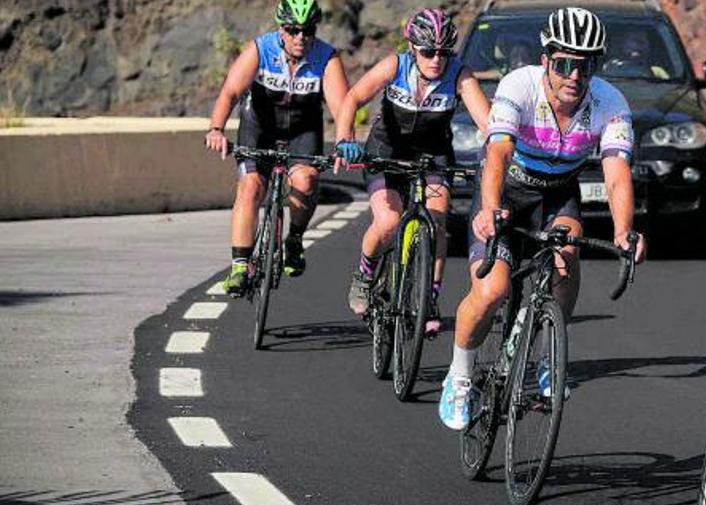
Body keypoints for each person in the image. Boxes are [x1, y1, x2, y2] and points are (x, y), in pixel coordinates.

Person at [438, 7, 647, 430]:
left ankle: (548, 355)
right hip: (507, 193)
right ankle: (459, 375)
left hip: (557, 196)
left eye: (585, 65)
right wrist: (490, 206)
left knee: (566, 257)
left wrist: (624, 229)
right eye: (564, 63)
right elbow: (497, 152)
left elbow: (616, 174)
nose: (574, 75)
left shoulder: (610, 102)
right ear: (545, 60)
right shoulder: (519, 86)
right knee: (493, 289)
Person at [333, 9, 491, 326]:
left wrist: (496, 153)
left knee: (437, 222)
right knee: (389, 221)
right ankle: (364, 275)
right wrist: (344, 139)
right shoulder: (395, 65)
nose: (436, 60)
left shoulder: (460, 75)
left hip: (433, 155)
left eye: (444, 52)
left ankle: (429, 297)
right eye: (428, 52)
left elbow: (488, 124)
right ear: (412, 48)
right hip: (386, 150)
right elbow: (351, 99)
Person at [205, 0, 349, 293]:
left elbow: (341, 107)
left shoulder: (326, 57)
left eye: (307, 30)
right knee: (251, 187)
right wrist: (216, 128)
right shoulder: (260, 50)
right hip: (259, 128)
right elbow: (231, 91)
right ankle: (240, 266)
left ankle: (294, 240)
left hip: (302, 130)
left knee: (306, 180)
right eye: (293, 30)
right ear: (281, 29)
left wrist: (345, 142)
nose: (300, 37)